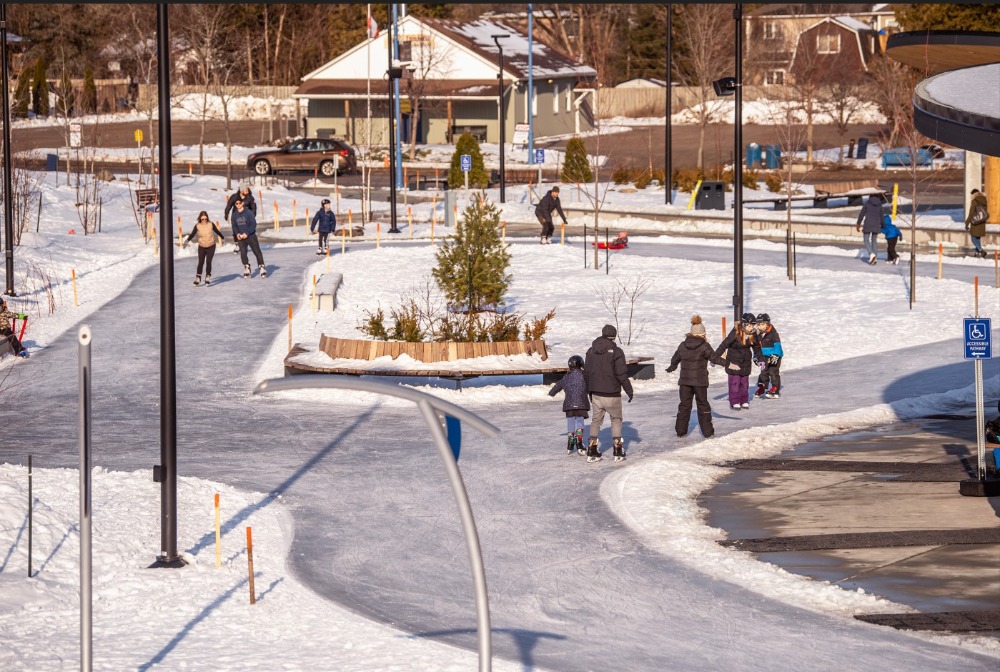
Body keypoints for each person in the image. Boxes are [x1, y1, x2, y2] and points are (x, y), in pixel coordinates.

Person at [666, 315, 725, 438]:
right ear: (702, 334)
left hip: (685, 382)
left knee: (684, 405)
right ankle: (708, 432)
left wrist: (673, 366)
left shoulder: (683, 345)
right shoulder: (704, 345)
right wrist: (728, 364)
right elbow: (714, 358)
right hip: (700, 382)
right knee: (702, 404)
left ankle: (680, 431)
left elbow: (675, 357)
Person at [584, 324, 634, 463]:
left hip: (596, 394)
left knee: (596, 421)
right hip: (612, 393)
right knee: (616, 420)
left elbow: (586, 373)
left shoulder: (590, 351)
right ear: (614, 336)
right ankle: (618, 450)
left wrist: (589, 390)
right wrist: (629, 390)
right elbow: (621, 374)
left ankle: (592, 449)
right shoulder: (617, 352)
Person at [548, 355, 590, 456]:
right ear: (581, 364)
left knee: (571, 421)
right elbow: (589, 385)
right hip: (581, 404)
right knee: (580, 421)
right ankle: (579, 442)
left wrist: (551, 393)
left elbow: (558, 385)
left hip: (569, 405)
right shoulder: (584, 375)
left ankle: (570, 442)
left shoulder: (566, 377)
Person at [714, 312, 756, 410]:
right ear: (745, 325)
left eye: (753, 325)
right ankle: (735, 401)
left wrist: (760, 359)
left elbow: (757, 347)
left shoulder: (752, 334)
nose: (752, 328)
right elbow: (724, 345)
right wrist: (715, 357)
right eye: (750, 325)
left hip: (745, 363)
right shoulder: (735, 333)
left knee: (744, 384)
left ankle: (744, 400)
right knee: (735, 383)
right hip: (734, 363)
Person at [184, 211, 226, 286]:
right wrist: (187, 240)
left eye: (205, 219)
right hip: (202, 246)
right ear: (200, 219)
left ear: (207, 218)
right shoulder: (197, 226)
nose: (204, 220)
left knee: (208, 261)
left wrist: (223, 238)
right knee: (200, 262)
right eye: (202, 219)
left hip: (211, 245)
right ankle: (198, 278)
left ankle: (207, 276)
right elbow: (192, 234)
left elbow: (217, 231)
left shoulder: (211, 224)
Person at [231, 199, 267, 278]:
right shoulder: (234, 215)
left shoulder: (248, 213)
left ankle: (261, 267)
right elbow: (234, 226)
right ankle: (247, 267)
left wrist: (246, 233)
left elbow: (253, 224)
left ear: (242, 203)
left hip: (251, 236)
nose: (238, 205)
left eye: (239, 203)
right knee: (243, 253)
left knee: (257, 251)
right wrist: (237, 234)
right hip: (241, 238)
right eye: (236, 203)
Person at [753, 313, 783, 399]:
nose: (760, 326)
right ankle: (762, 387)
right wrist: (755, 356)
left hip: (774, 356)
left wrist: (776, 355)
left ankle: (775, 389)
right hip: (763, 356)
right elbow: (756, 348)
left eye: (762, 324)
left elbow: (778, 346)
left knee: (773, 372)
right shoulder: (757, 335)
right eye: (758, 324)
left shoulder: (773, 333)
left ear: (767, 324)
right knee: (763, 372)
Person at [225, 185, 257, 253]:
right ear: (241, 190)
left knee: (246, 230)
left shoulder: (250, 198)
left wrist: (253, 215)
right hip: (236, 216)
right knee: (235, 230)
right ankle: (238, 245)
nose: (247, 192)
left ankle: (245, 244)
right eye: (246, 190)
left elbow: (254, 207)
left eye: (248, 190)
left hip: (246, 217)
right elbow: (229, 205)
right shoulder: (234, 197)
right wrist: (226, 213)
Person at [856, 193, 885, 265]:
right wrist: (883, 225)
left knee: (866, 240)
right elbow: (882, 216)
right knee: (874, 241)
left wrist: (858, 223)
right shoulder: (880, 204)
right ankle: (875, 258)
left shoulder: (867, 203)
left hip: (868, 224)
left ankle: (871, 254)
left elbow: (861, 214)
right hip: (876, 225)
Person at [965, 189, 989, 259]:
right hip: (981, 222)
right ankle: (977, 252)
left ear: (973, 194)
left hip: (975, 222)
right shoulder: (984, 200)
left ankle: (981, 250)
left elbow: (971, 213)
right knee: (977, 239)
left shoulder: (974, 201)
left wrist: (967, 223)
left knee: (973, 239)